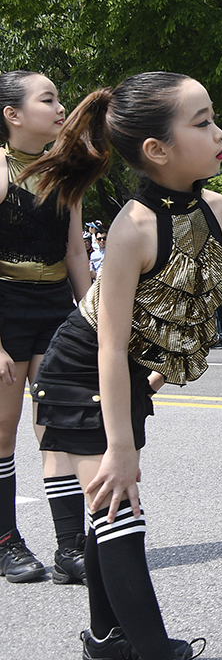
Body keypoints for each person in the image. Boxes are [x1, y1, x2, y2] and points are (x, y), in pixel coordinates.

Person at [25, 71, 222, 660]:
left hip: (129, 372)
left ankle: (107, 639)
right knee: (121, 507)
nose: (218, 131)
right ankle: (149, 649)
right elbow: (109, 347)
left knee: (107, 504)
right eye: (202, 122)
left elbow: (190, 307)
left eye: (213, 116)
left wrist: (161, 375)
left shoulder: (218, 208)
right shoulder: (132, 229)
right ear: (156, 149)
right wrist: (120, 446)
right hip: (80, 369)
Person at [0, 70, 93, 586]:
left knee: (56, 426)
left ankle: (69, 548)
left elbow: (76, 250)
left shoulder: (66, 171)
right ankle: (6, 541)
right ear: (13, 115)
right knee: (3, 429)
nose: (62, 108)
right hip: (6, 304)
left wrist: (93, 320)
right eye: (48, 99)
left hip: (56, 303)